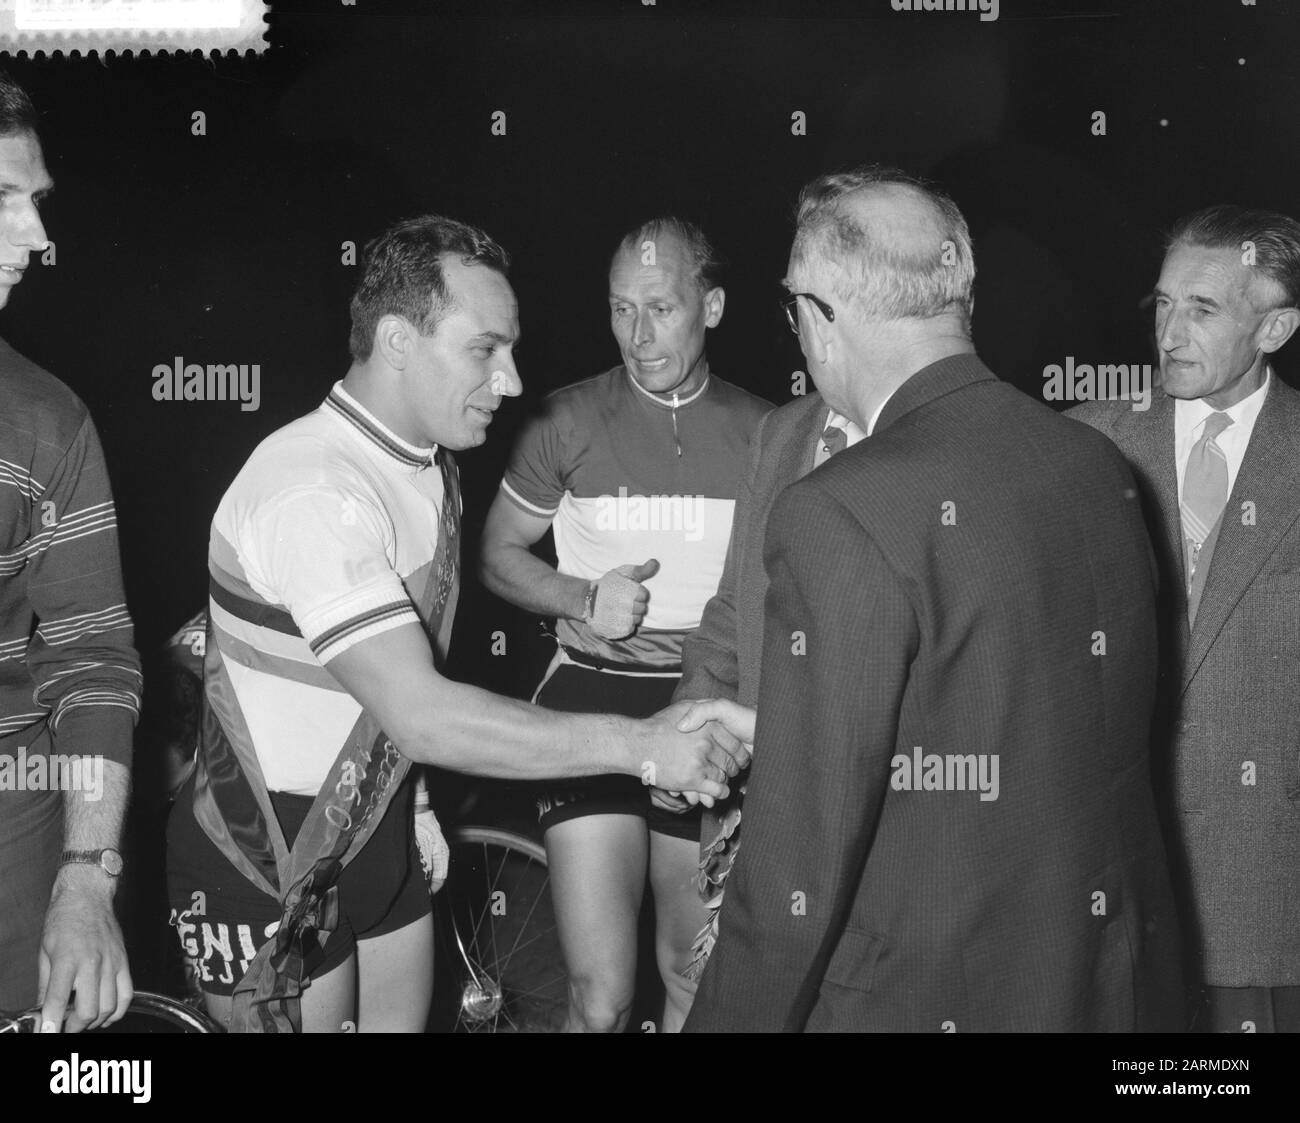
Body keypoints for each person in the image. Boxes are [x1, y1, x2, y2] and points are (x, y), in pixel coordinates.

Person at [164, 214, 747, 1033]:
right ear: (397, 341)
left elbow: (389, 679)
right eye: (485, 350)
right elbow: (424, 713)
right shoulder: (314, 487)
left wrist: (418, 801)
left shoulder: (429, 467)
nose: (511, 380)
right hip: (268, 850)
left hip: (380, 828)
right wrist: (646, 746)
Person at [683, 166, 1182, 1032]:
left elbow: (796, 877)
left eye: (793, 309)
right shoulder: (1096, 462)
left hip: (928, 989)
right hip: (1102, 980)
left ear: (822, 318)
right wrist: (799, 727)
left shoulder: (837, 508)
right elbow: (1025, 714)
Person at [480, 217, 769, 1032]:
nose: (638, 336)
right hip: (590, 694)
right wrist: (581, 598)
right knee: (601, 996)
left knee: (691, 976)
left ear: (712, 307)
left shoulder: (768, 432)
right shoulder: (562, 419)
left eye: (661, 309)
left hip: (706, 704)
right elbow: (496, 554)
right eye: (620, 309)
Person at [1069, 205, 1300, 1033]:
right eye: (1163, 304)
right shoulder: (1085, 442)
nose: (1169, 333)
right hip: (1112, 888)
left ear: (1274, 328)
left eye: (1202, 309)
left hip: (1268, 889)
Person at [0, 72, 142, 1032]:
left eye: (36, 199)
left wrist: (87, 881)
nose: (36, 234)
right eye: (3, 198)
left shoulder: (48, 422)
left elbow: (92, 663)